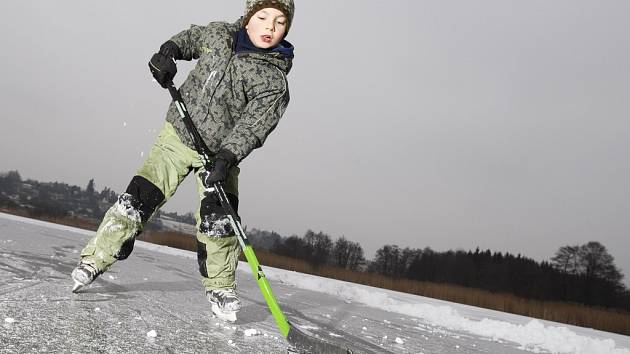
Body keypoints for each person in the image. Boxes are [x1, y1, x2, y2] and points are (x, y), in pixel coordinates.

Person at [71, 0, 295, 322]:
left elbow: (253, 126)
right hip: (177, 135)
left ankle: (220, 287)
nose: (270, 27)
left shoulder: (273, 82)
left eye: (279, 22)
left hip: (219, 157)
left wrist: (227, 157)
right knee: (137, 199)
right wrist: (168, 51)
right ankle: (96, 258)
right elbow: (191, 38)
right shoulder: (219, 34)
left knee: (219, 221)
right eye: (262, 17)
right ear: (248, 17)